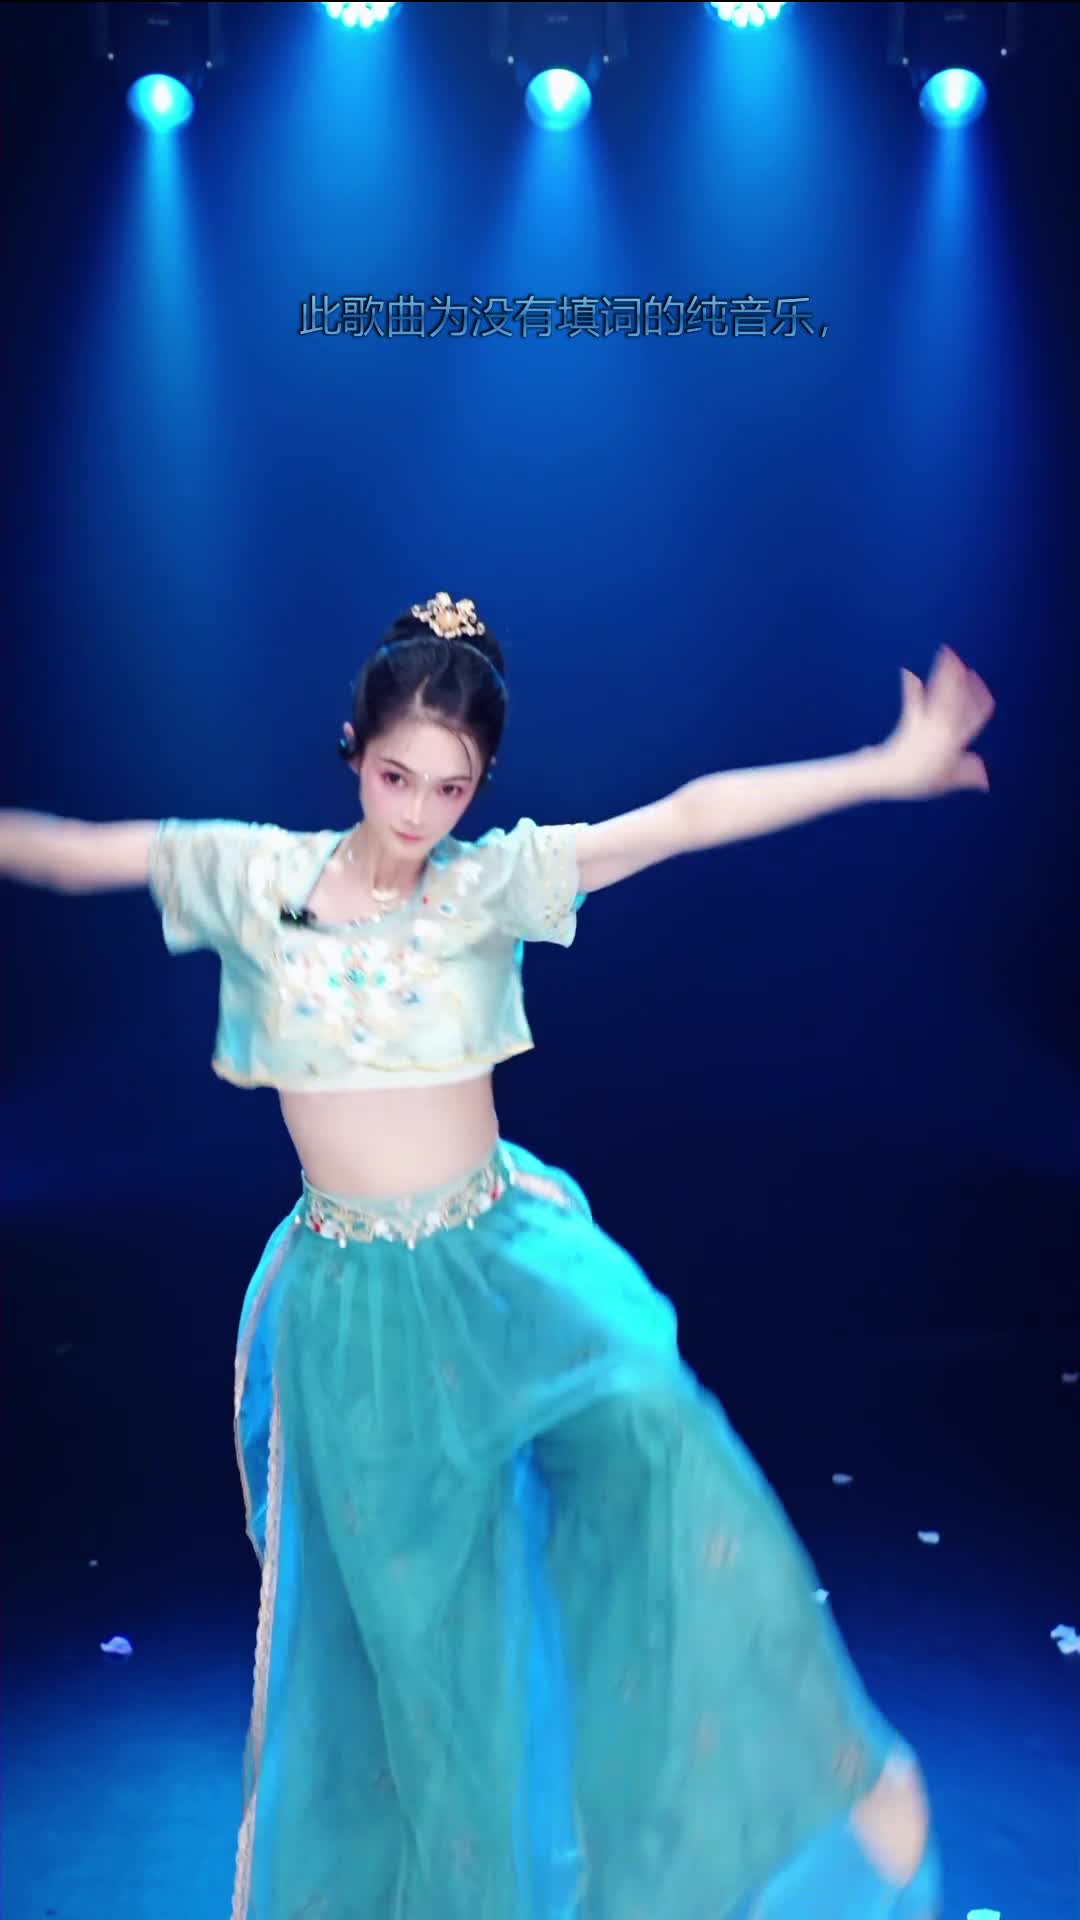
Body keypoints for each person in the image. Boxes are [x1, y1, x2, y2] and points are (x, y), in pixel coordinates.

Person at [1, 591, 994, 1920]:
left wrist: (884, 767)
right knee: (427, 1659)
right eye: (397, 776)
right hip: (356, 1310)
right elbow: (77, 853)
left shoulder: (487, 887)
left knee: (660, 1429)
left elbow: (684, 817)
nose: (420, 812)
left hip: (506, 1263)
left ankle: (833, 1777)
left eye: (451, 787)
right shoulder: (256, 876)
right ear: (354, 750)